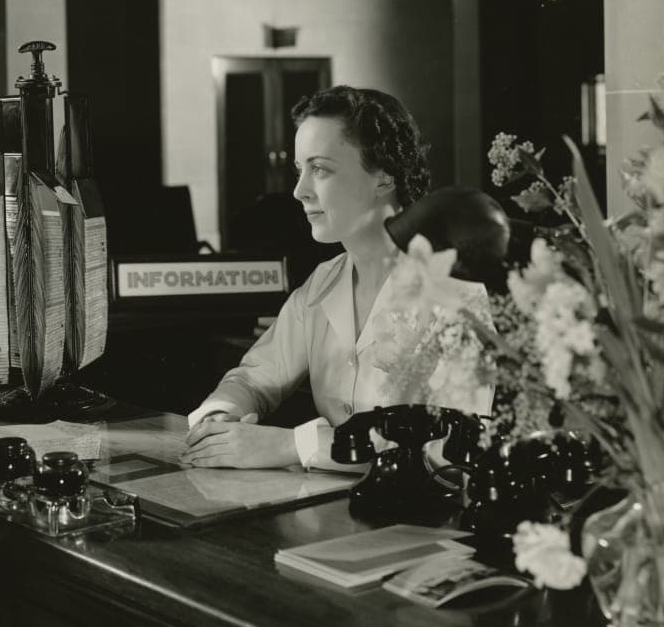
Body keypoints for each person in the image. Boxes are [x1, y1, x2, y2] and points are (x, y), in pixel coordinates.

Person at [182, 85, 493, 470]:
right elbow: (254, 378)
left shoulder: (456, 292)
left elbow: (450, 446)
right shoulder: (322, 283)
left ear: (383, 178)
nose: (299, 191)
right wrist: (221, 416)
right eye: (300, 170)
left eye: (320, 169)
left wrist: (294, 446)